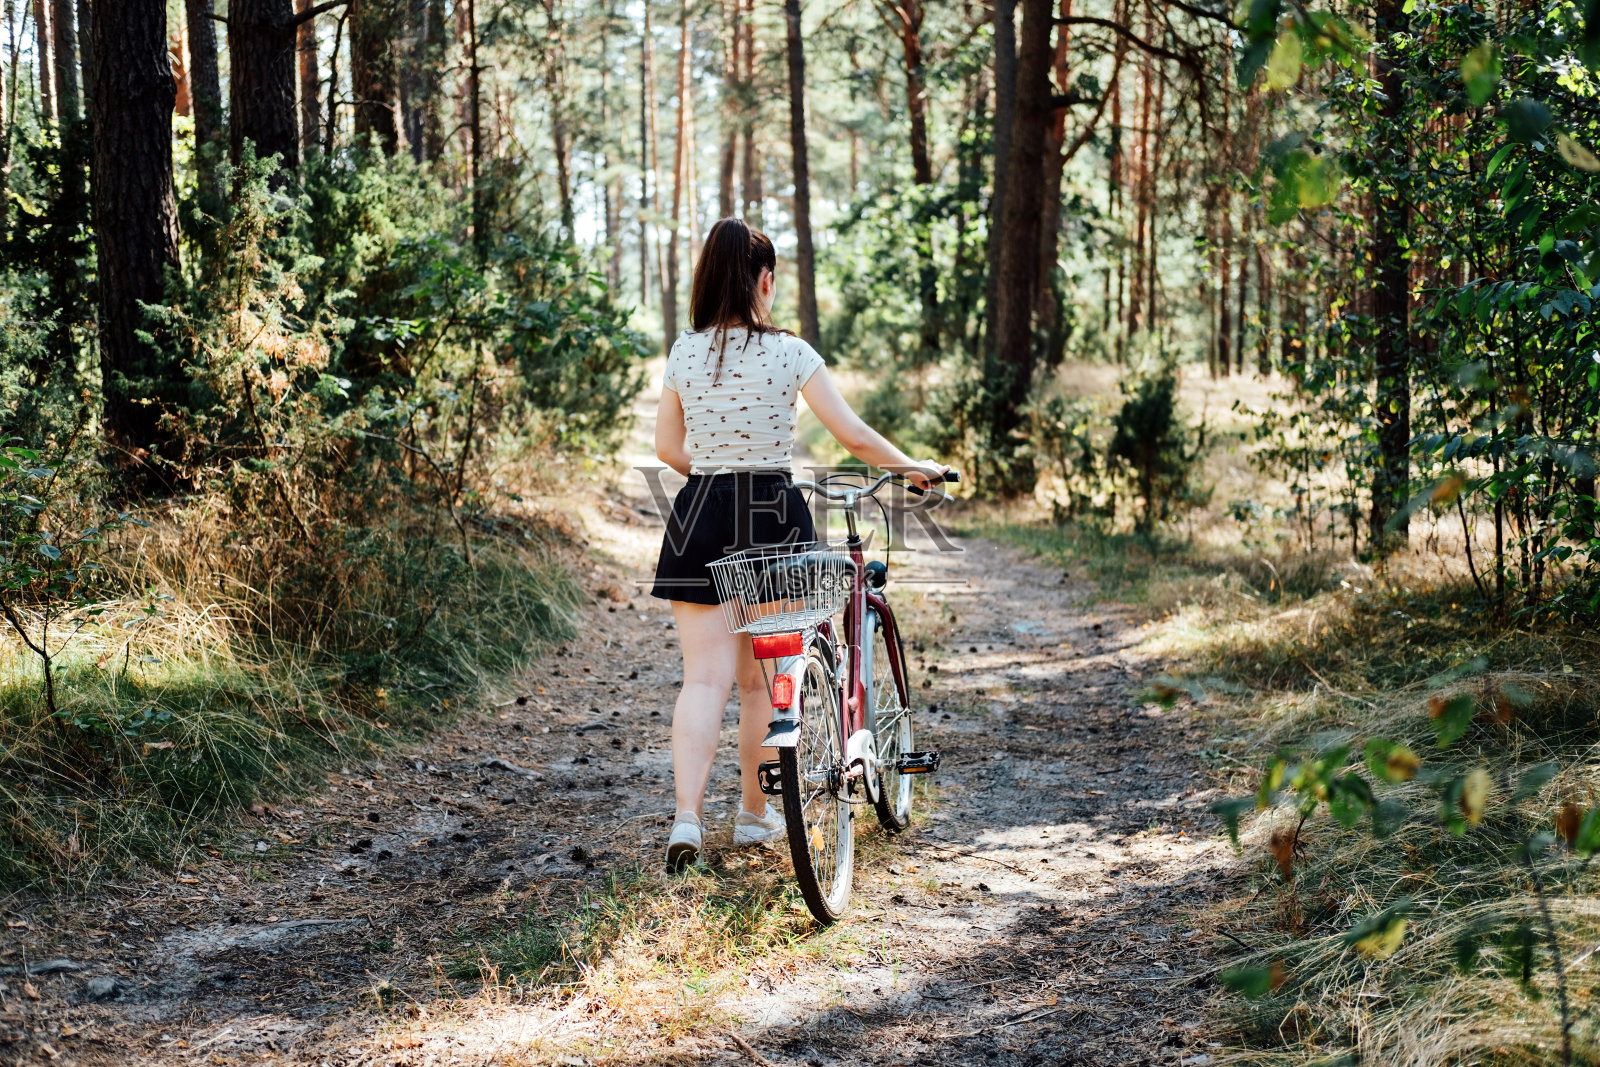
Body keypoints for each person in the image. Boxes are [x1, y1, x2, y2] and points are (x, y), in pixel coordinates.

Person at [650, 217, 948, 872]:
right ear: (764, 280)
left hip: (699, 508)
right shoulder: (790, 352)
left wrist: (714, 477)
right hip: (771, 517)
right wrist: (911, 468)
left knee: (702, 680)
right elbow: (855, 437)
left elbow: (667, 448)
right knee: (759, 681)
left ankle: (687, 818)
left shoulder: (684, 351)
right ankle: (756, 818)